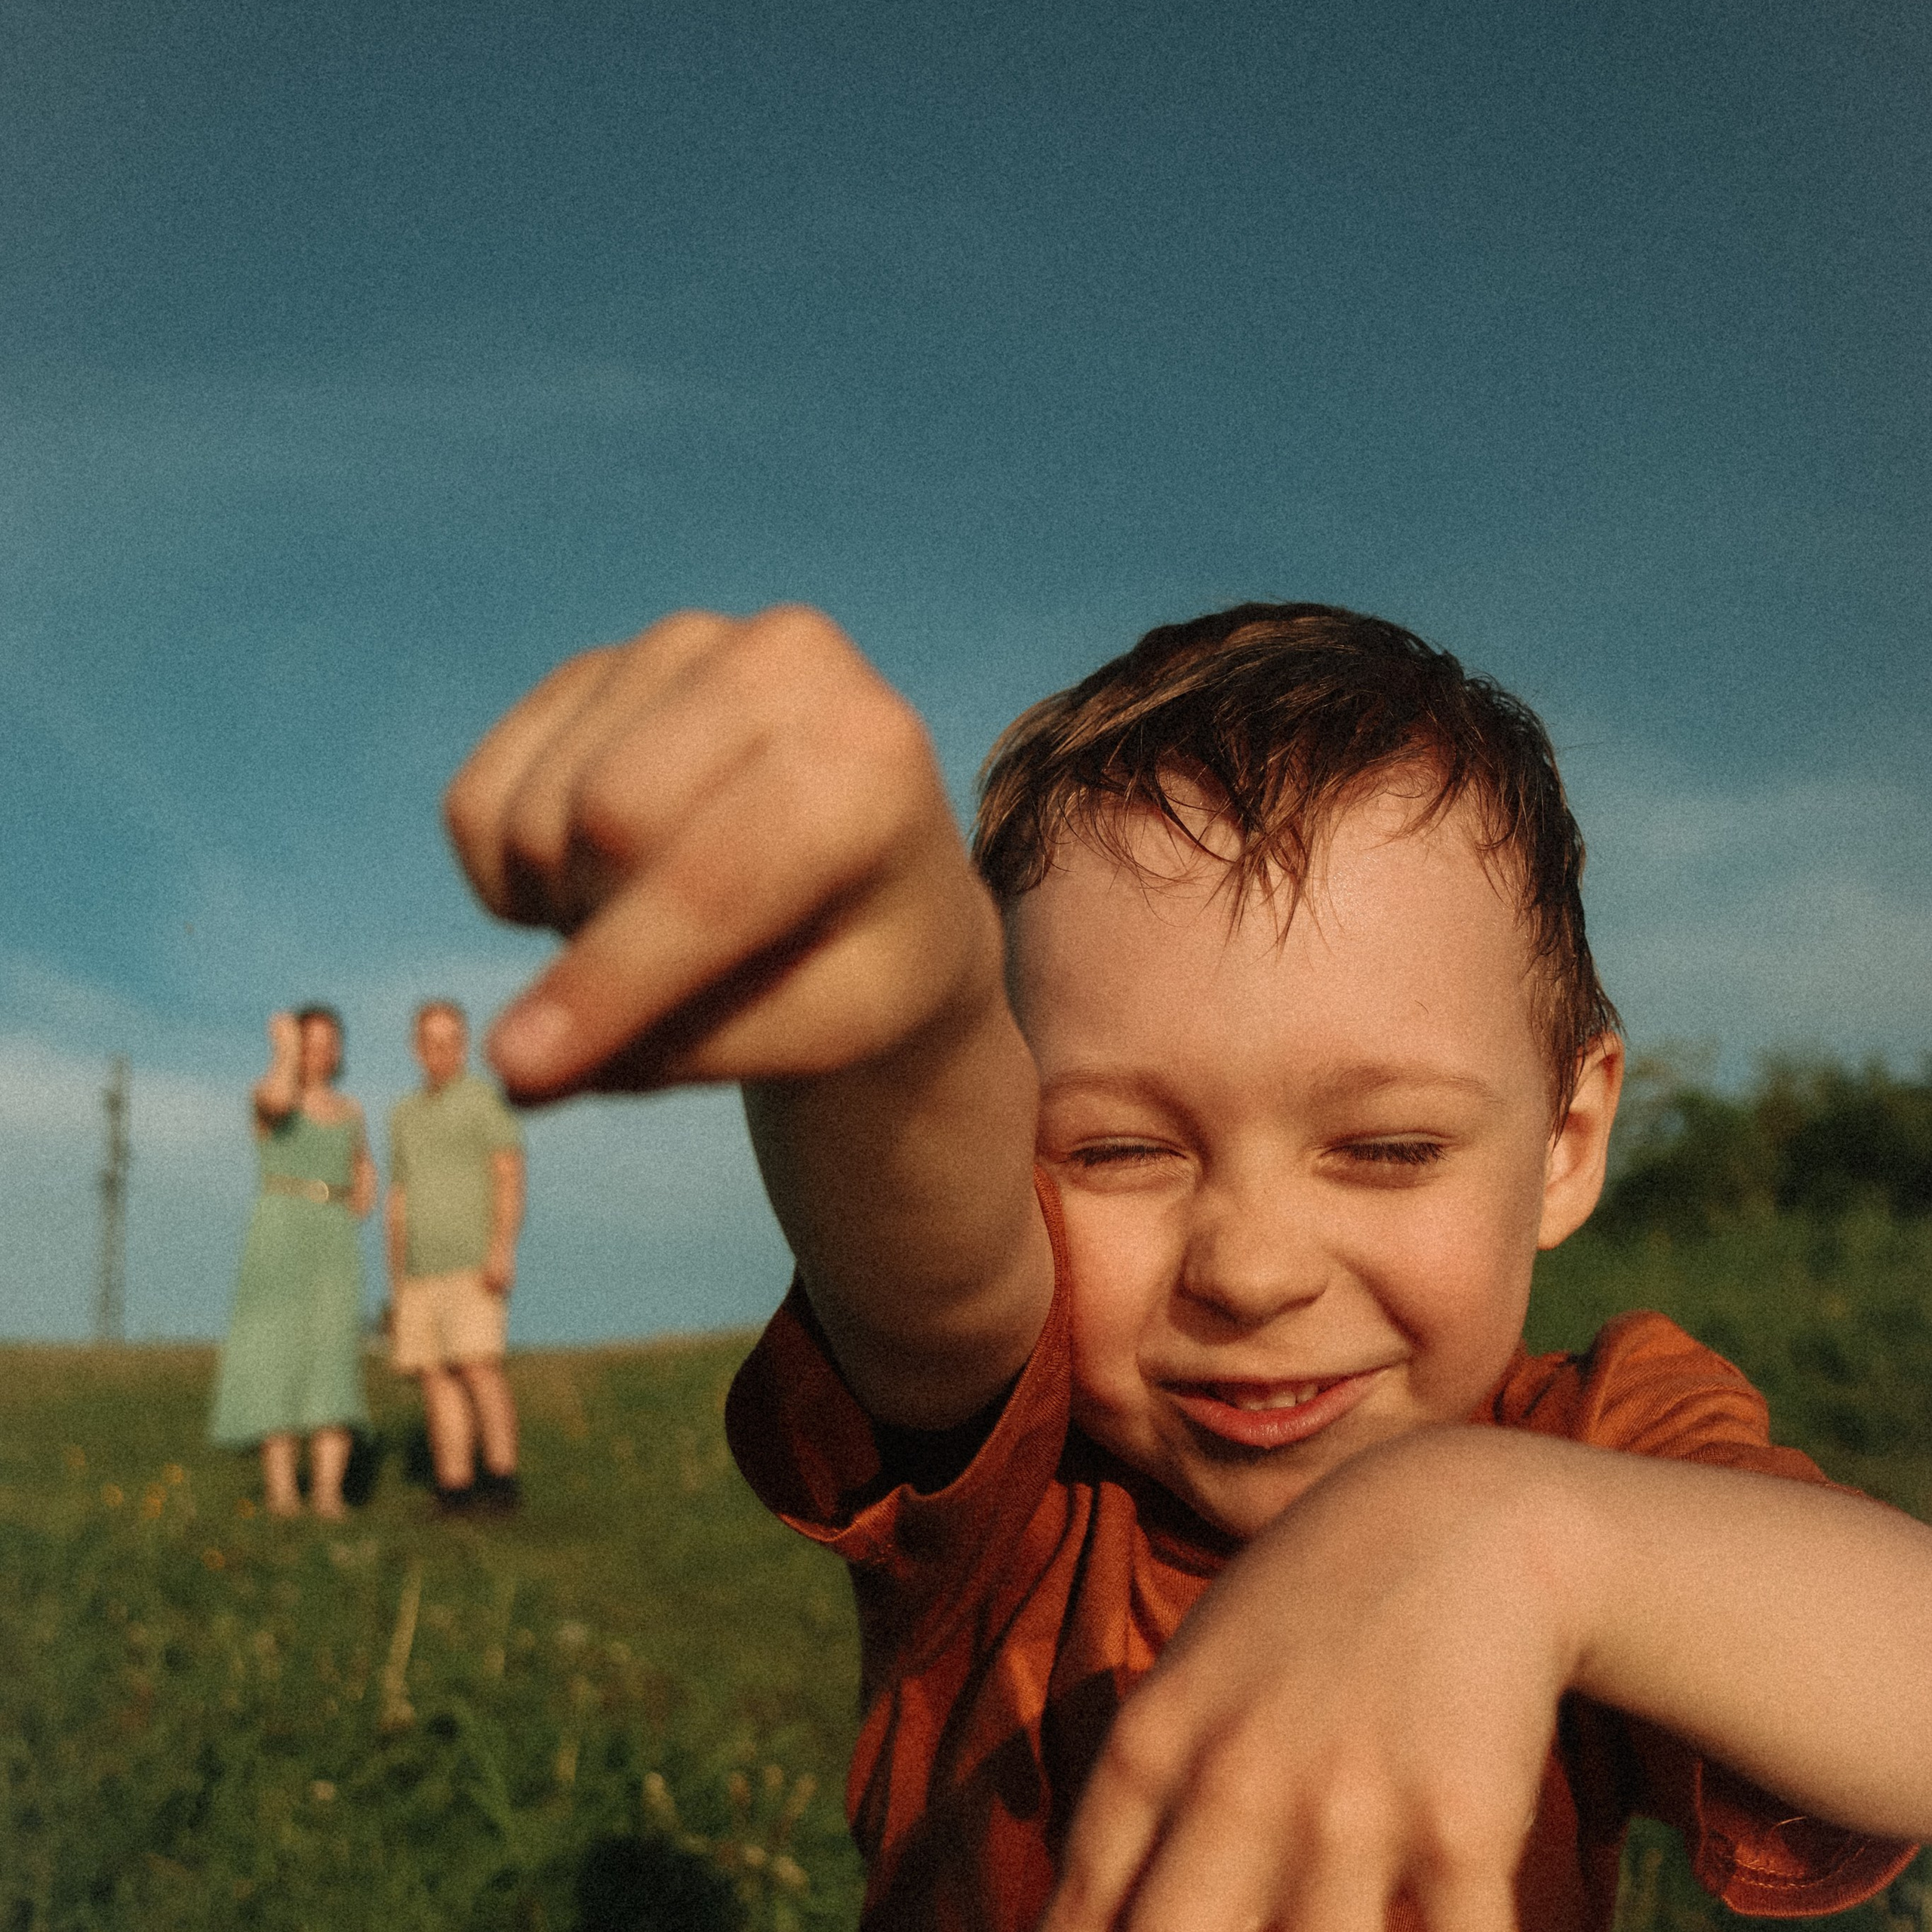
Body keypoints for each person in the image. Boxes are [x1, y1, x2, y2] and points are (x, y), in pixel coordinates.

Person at [442, 603, 1932, 1932]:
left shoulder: (1594, 1443)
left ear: (1565, 1138)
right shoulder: (1010, 1487)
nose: (1251, 1264)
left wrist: (1528, 1538)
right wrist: (893, 1019)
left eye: (1387, 1146)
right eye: (1111, 1151)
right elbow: (933, 1246)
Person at [210, 1005, 375, 1518]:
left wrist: (355, 1203)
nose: (321, 1054)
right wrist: (281, 1048)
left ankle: (328, 1493)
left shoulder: (351, 1110)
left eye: (331, 1044)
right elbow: (279, 1099)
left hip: (332, 1236)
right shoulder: (268, 1095)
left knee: (331, 1356)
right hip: (279, 1231)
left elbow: (363, 1169)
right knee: (275, 1356)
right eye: (310, 1043)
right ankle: (283, 1495)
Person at [386, 998, 527, 1514]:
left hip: (474, 1261)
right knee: (434, 1374)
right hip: (421, 1269)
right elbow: (398, 1199)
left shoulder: (484, 1099)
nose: (441, 1052)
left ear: (464, 1045)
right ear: (416, 1048)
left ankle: (502, 1478)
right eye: (431, 1042)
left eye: (452, 1041)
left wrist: (502, 1250)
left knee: (477, 1366)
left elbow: (509, 1173)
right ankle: (455, 1485)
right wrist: (397, 1276)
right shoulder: (403, 1114)